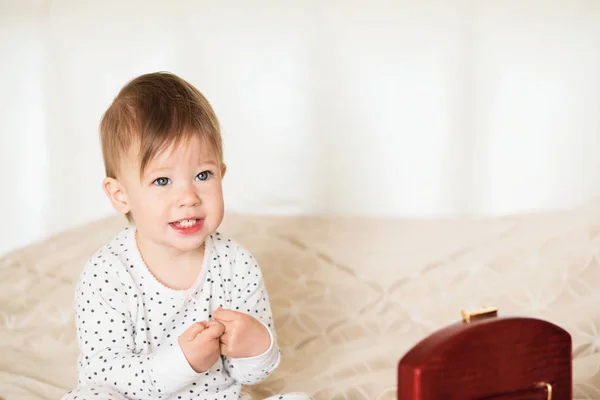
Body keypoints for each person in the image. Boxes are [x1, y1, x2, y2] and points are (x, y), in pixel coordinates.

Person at [62, 72, 311, 400]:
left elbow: (249, 373)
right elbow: (103, 375)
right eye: (162, 181)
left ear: (221, 175)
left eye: (203, 175)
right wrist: (182, 363)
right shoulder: (107, 274)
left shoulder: (236, 266)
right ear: (121, 195)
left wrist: (257, 346)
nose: (189, 197)